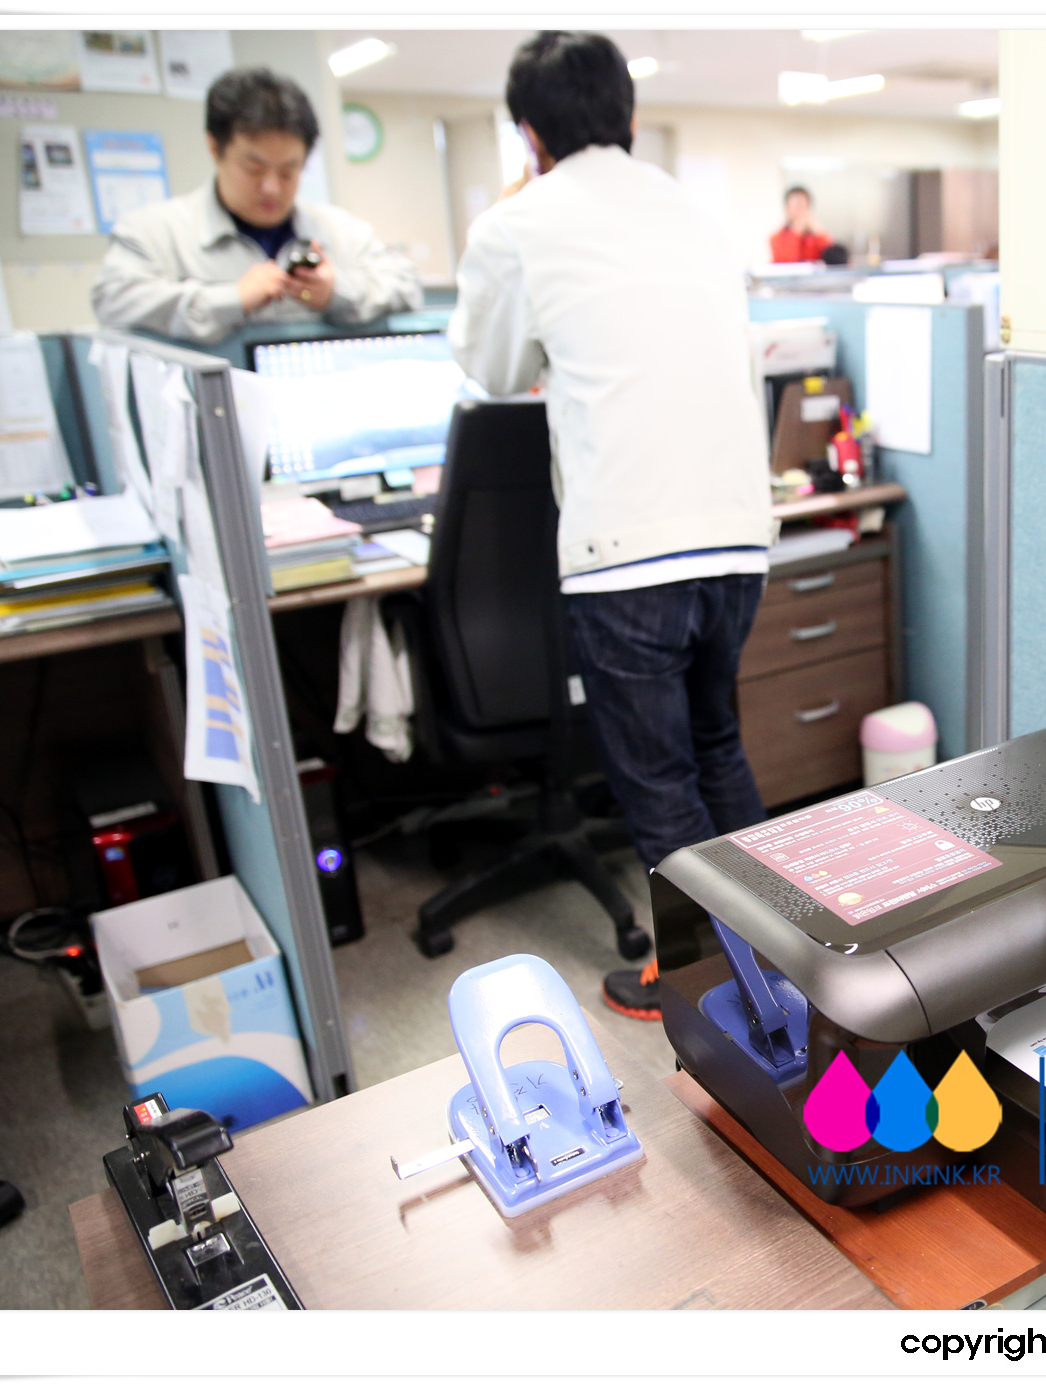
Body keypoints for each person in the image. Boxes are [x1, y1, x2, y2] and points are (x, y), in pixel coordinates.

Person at [449, 32, 775, 1022]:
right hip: (737, 539)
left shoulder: (518, 223)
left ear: (529, 132)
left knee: (659, 781)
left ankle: (711, 993)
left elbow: (493, 370)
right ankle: (784, 962)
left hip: (628, 553)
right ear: (628, 115)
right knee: (717, 746)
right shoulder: (698, 215)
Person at [92, 67, 420, 344]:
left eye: (288, 171)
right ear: (215, 148)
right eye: (254, 169)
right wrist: (232, 299)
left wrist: (336, 291)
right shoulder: (153, 232)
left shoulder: (341, 231)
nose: (271, 188)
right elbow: (114, 301)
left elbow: (406, 287)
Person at [768, 186, 835, 263]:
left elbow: (832, 257)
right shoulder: (777, 237)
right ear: (787, 208)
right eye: (796, 205)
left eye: (803, 205)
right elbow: (785, 261)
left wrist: (819, 232)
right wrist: (796, 231)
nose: (800, 210)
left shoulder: (817, 234)